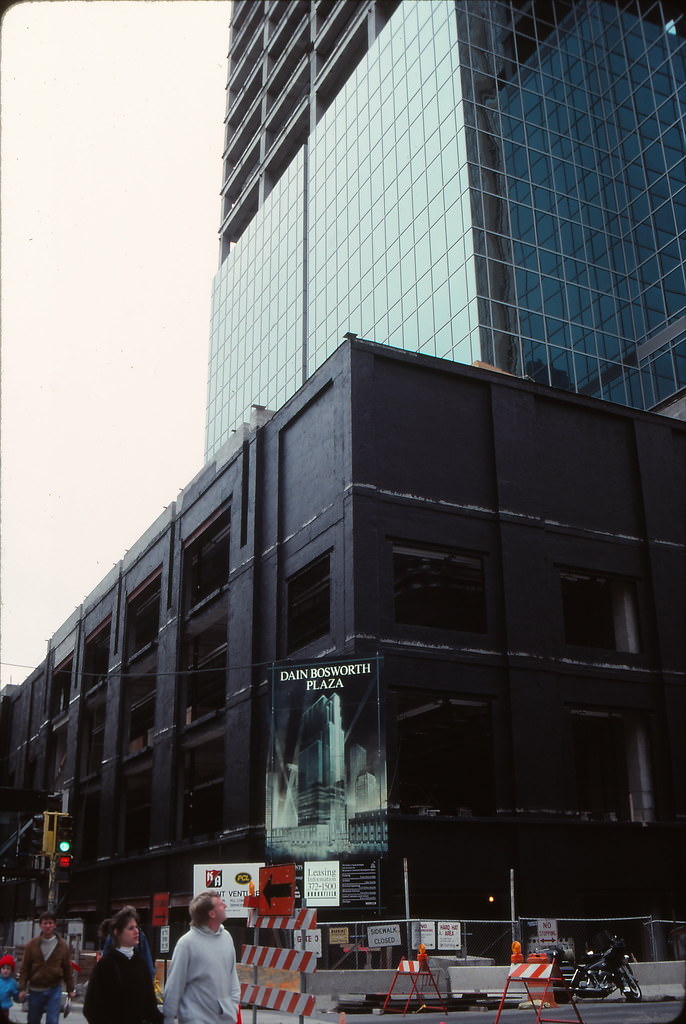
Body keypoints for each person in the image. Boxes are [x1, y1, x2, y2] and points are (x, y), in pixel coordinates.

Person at [162, 892, 240, 1024]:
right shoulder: (186, 944)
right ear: (212, 914)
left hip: (225, 1019)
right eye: (221, 904)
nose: (225, 906)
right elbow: (174, 985)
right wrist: (168, 1018)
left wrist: (233, 1006)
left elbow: (232, 975)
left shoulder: (227, 937)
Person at [83, 906, 162, 1024]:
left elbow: (150, 1006)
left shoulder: (140, 963)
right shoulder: (105, 965)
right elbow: (91, 1008)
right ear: (117, 932)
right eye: (131, 928)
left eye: (136, 927)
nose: (136, 931)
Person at [18, 912, 75, 1024]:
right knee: (33, 1020)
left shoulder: (62, 945)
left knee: (52, 1020)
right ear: (40, 925)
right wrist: (22, 988)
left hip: (54, 989)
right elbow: (25, 968)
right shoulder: (31, 945)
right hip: (35, 989)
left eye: (50, 923)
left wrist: (70, 989)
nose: (48, 926)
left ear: (55, 925)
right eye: (45, 923)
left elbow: (67, 968)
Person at [0, 954, 19, 1024]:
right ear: (0, 969)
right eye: (3, 968)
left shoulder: (12, 983)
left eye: (8, 968)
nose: (5, 970)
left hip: (5, 1007)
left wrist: (19, 997)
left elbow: (16, 995)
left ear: (11, 970)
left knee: (4, 1021)